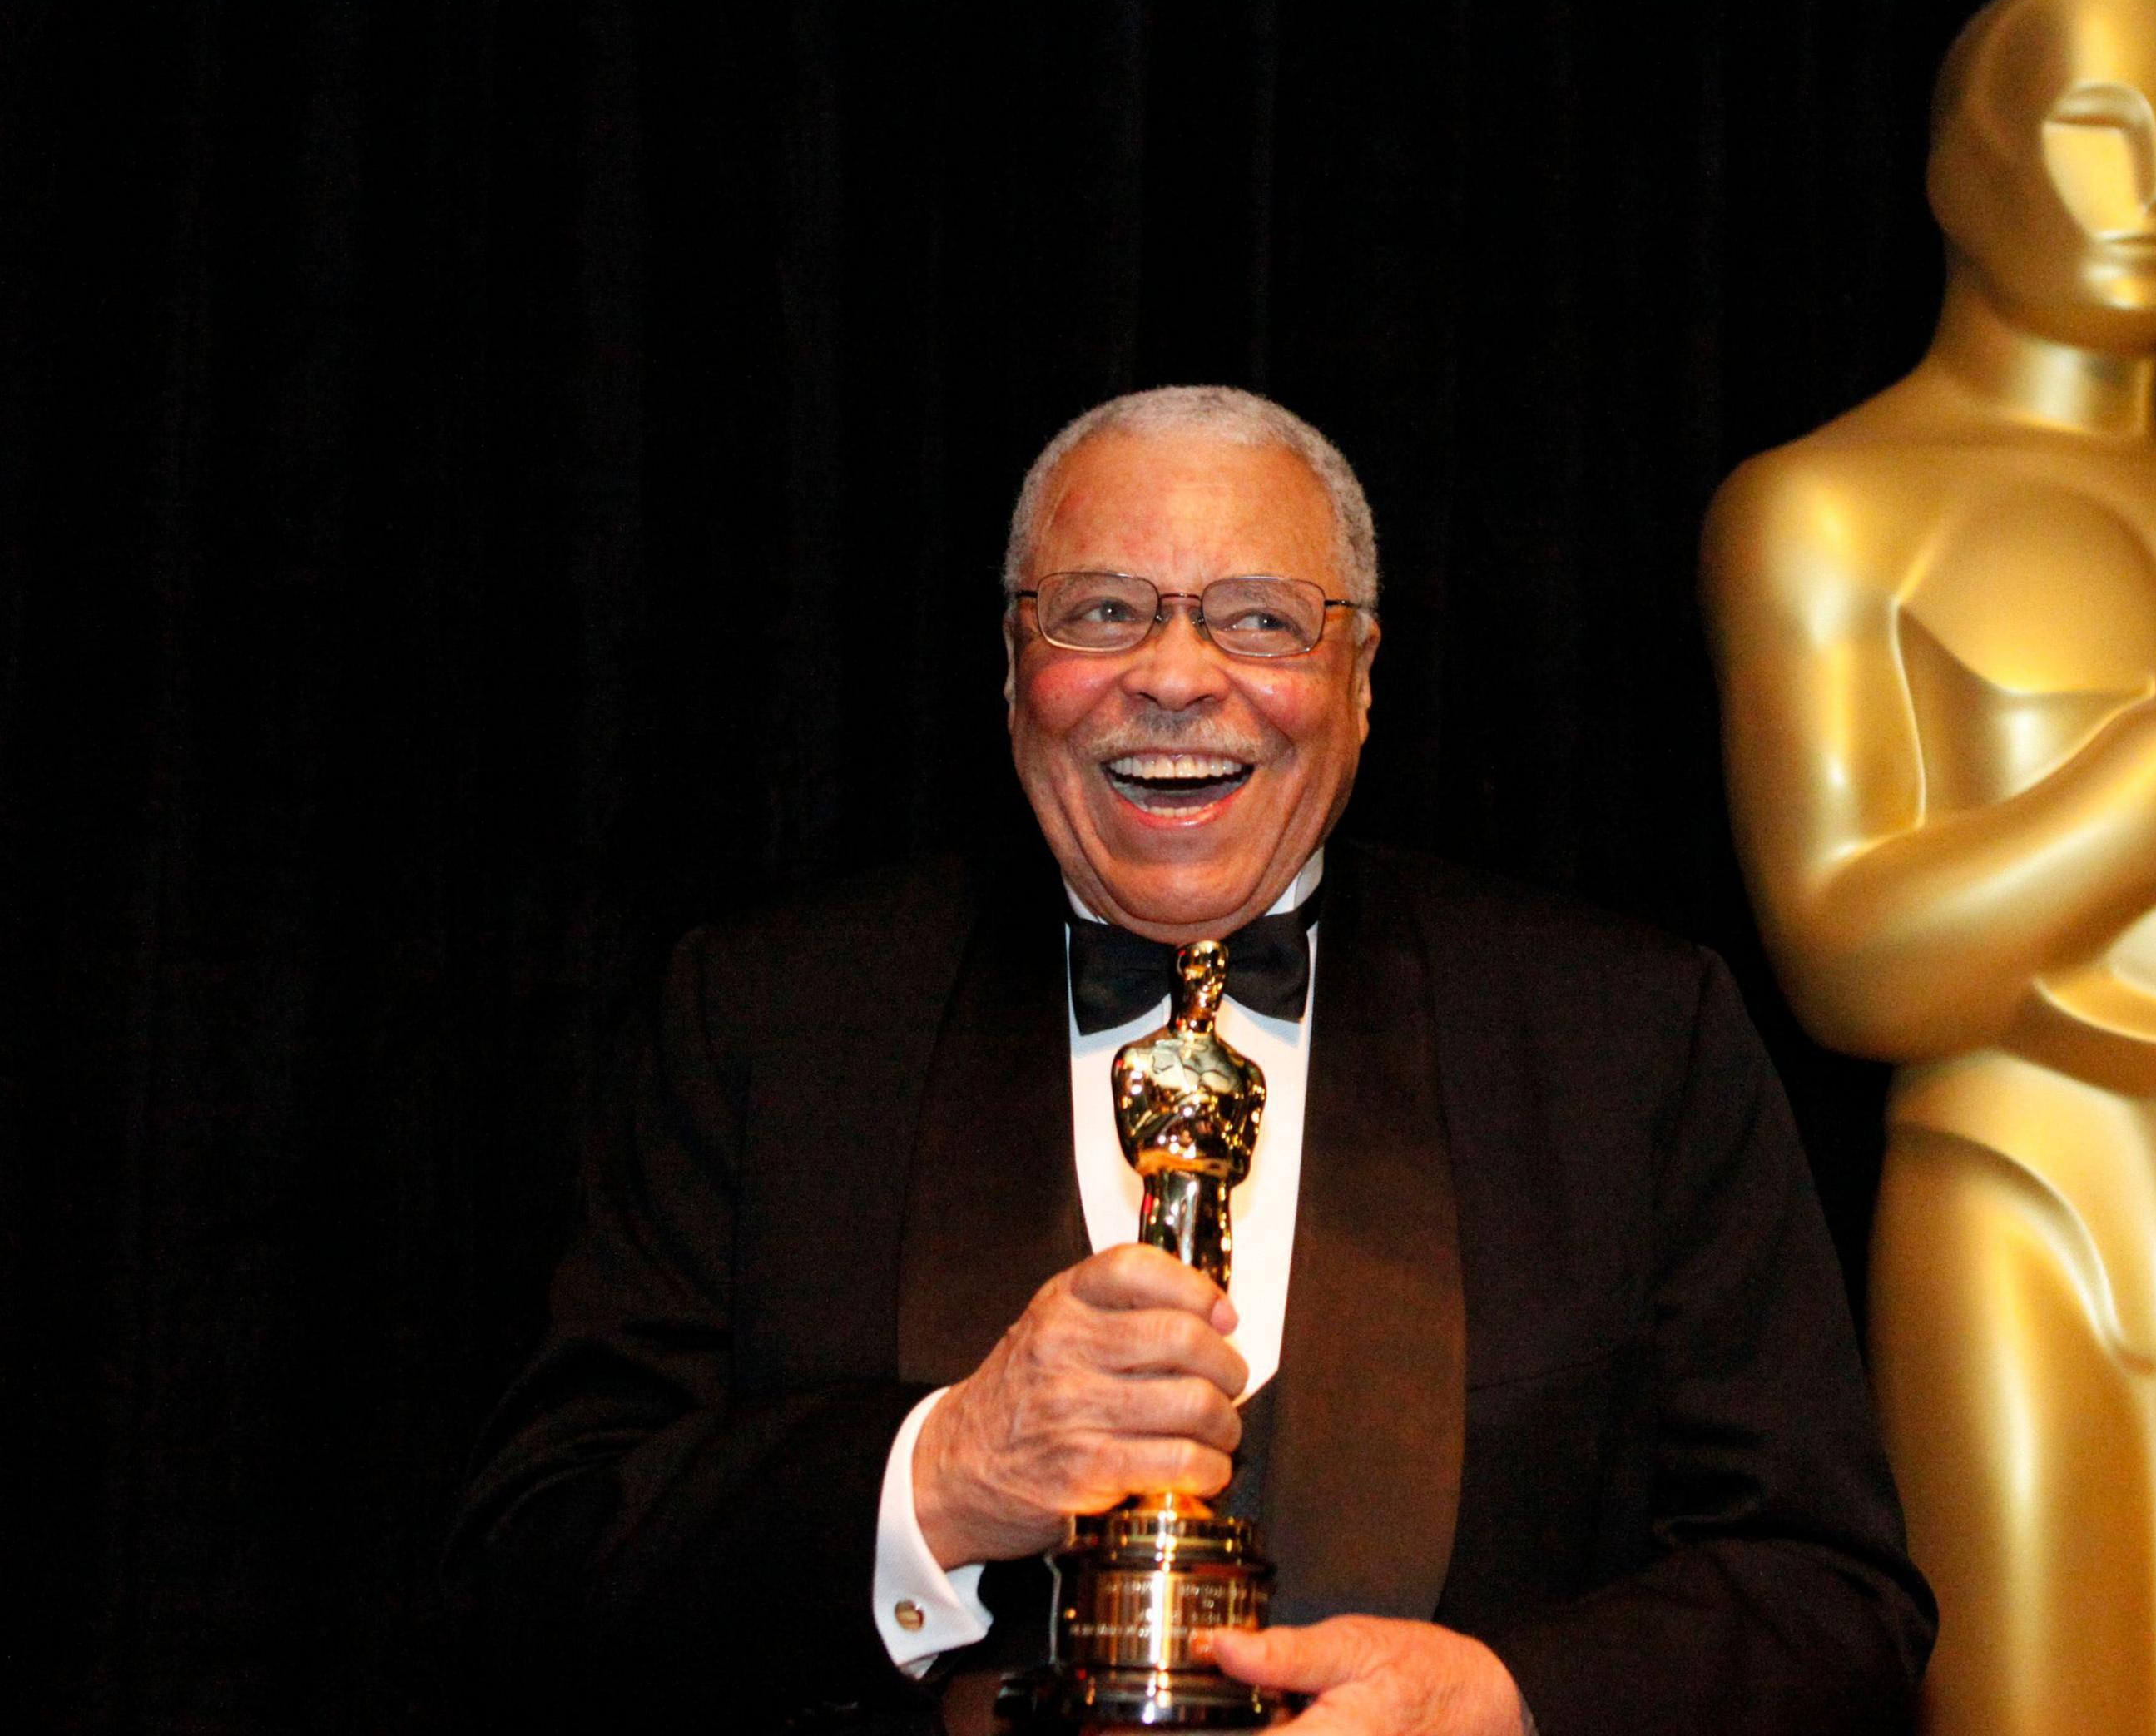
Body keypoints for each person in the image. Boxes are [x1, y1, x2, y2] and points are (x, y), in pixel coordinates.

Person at [448, 386, 1933, 1736]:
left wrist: (1508, 1702)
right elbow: (538, 1573)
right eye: (1102, 611)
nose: (1174, 676)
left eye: (1260, 620)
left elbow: (1832, 1598)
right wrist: (940, 1479)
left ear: (1360, 678)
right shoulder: (771, 1022)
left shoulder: (1626, 1036)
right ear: (1012, 661)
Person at [1701, 0, 2156, 1736]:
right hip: (2020, 1206)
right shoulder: (1834, 510)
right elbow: (1850, 960)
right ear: (1967, 168)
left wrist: (2087, 912)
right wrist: (2151, 814)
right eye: (2100, 132)